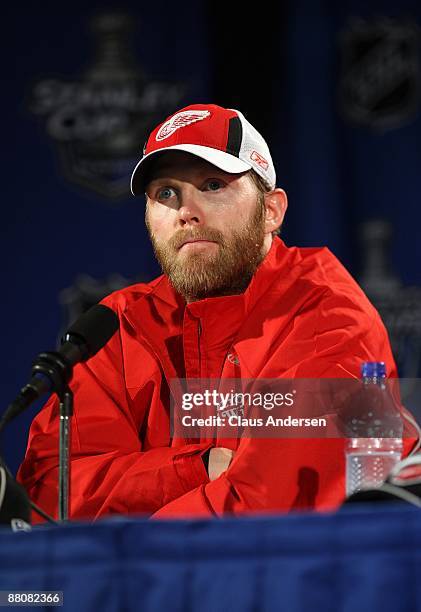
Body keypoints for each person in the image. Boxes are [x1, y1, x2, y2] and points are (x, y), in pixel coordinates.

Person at [17, 104, 419, 522]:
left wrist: (125, 531)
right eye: (165, 193)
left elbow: (271, 510)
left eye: (212, 185)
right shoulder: (117, 324)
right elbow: (47, 494)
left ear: (271, 211)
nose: (186, 211)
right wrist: (196, 468)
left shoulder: (329, 317)